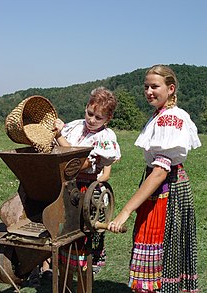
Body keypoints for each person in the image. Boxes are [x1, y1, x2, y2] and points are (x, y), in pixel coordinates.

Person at [108, 65, 201, 293]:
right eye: (146, 86)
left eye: (155, 86)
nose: (149, 91)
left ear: (170, 88)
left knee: (157, 244)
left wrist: (125, 211)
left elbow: (160, 171)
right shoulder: (161, 115)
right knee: (167, 250)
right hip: (166, 186)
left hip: (165, 189)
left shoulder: (170, 118)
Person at [53, 86, 121, 290]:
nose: (91, 120)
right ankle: (63, 284)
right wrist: (56, 129)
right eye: (89, 113)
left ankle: (83, 287)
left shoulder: (105, 138)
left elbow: (77, 161)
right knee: (63, 240)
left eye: (98, 117)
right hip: (66, 188)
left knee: (82, 245)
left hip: (85, 192)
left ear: (107, 120)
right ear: (86, 108)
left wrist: (58, 137)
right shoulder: (74, 127)